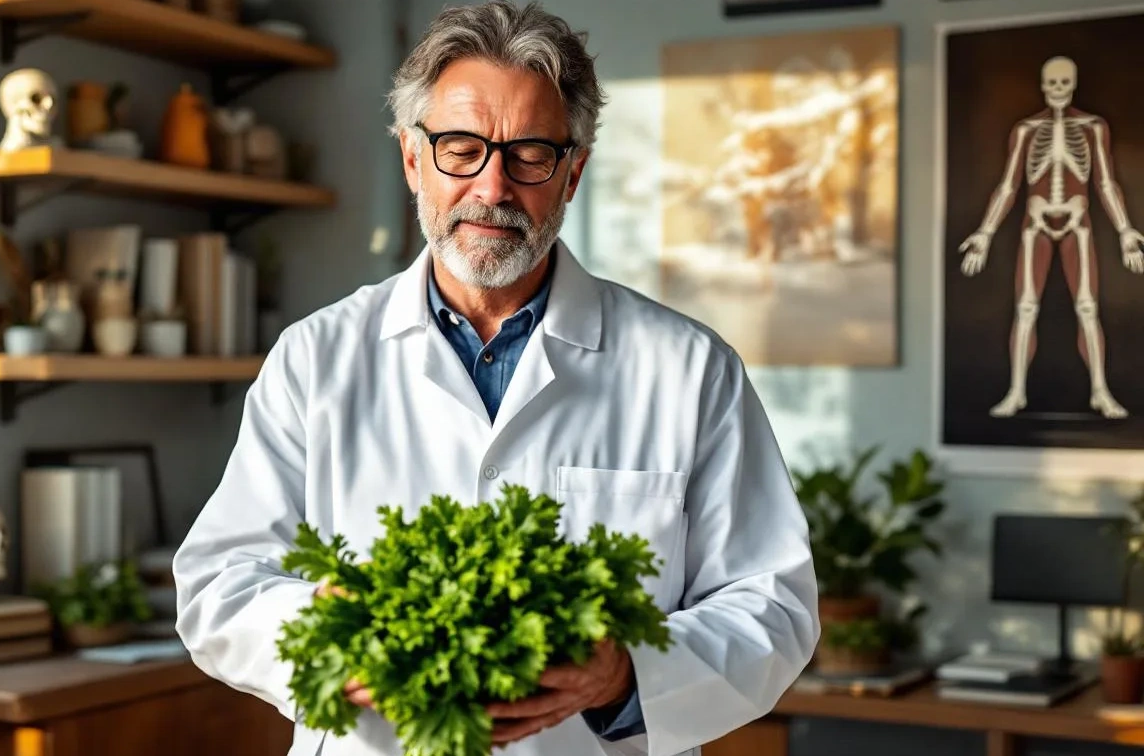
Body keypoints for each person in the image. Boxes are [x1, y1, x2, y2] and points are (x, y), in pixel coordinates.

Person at [173, 3, 819, 755]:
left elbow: (774, 604)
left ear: (572, 172)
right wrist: (326, 631)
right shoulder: (315, 358)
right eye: (460, 148)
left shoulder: (688, 369)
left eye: (530, 155)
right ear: (414, 160)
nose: (492, 186)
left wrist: (624, 675)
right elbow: (219, 583)